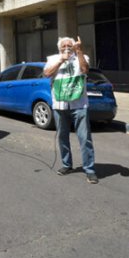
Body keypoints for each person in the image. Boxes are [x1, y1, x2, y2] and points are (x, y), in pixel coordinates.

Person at [44, 36, 98, 184]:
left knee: (84, 138)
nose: (67, 48)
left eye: (70, 45)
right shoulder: (53, 59)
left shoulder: (81, 56)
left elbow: (85, 70)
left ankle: (90, 170)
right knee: (62, 136)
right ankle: (67, 165)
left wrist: (79, 51)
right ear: (59, 48)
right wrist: (61, 60)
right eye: (64, 46)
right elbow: (47, 73)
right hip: (60, 106)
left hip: (79, 105)